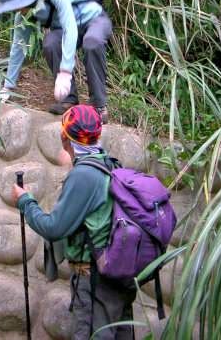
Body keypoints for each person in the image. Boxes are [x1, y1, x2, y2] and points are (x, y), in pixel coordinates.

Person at [12, 104, 136, 339]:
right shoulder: (109, 164)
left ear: (64, 137)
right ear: (97, 136)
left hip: (95, 282)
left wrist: (25, 201)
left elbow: (54, 228)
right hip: (117, 278)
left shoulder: (84, 175)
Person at [0, 0, 112, 120]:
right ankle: (69, 99)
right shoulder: (23, 15)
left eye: (14, 4)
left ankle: (99, 106)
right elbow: (18, 48)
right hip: (68, 28)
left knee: (92, 42)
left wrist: (65, 72)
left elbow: (70, 29)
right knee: (50, 43)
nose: (14, 9)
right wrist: (8, 86)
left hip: (94, 20)